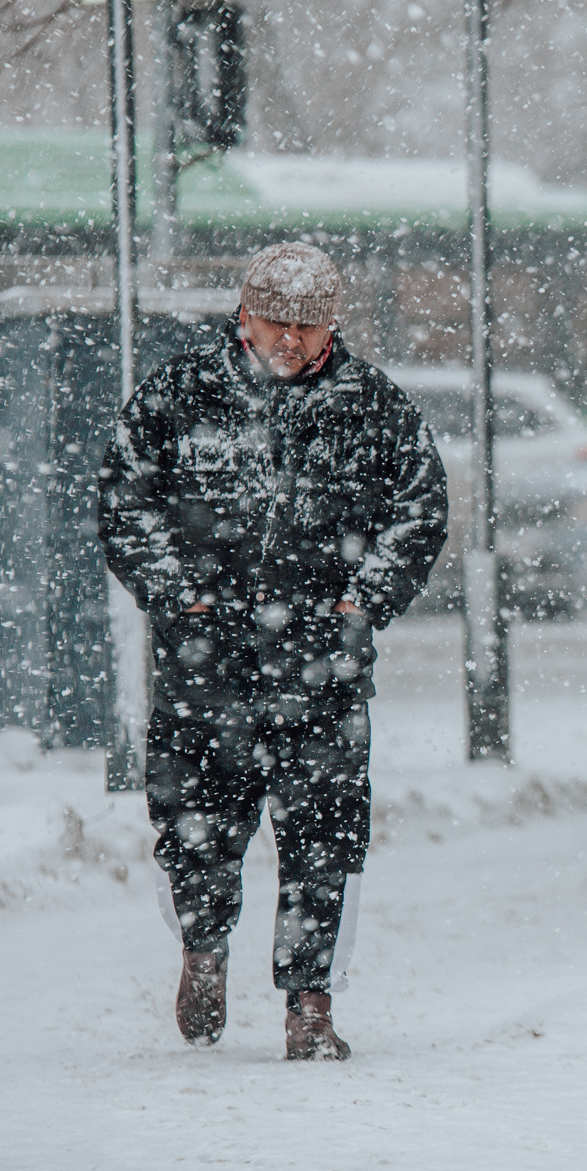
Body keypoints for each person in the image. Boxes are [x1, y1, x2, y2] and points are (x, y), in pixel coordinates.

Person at [99, 242, 448, 1058]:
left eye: (309, 324)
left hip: (323, 670)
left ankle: (311, 1006)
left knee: (327, 837)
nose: (291, 339)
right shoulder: (180, 395)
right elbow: (125, 500)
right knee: (195, 829)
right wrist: (177, 595)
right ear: (244, 315)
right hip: (203, 667)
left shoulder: (373, 406)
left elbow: (419, 509)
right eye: (276, 321)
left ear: (332, 325)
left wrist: (363, 602)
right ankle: (203, 952)